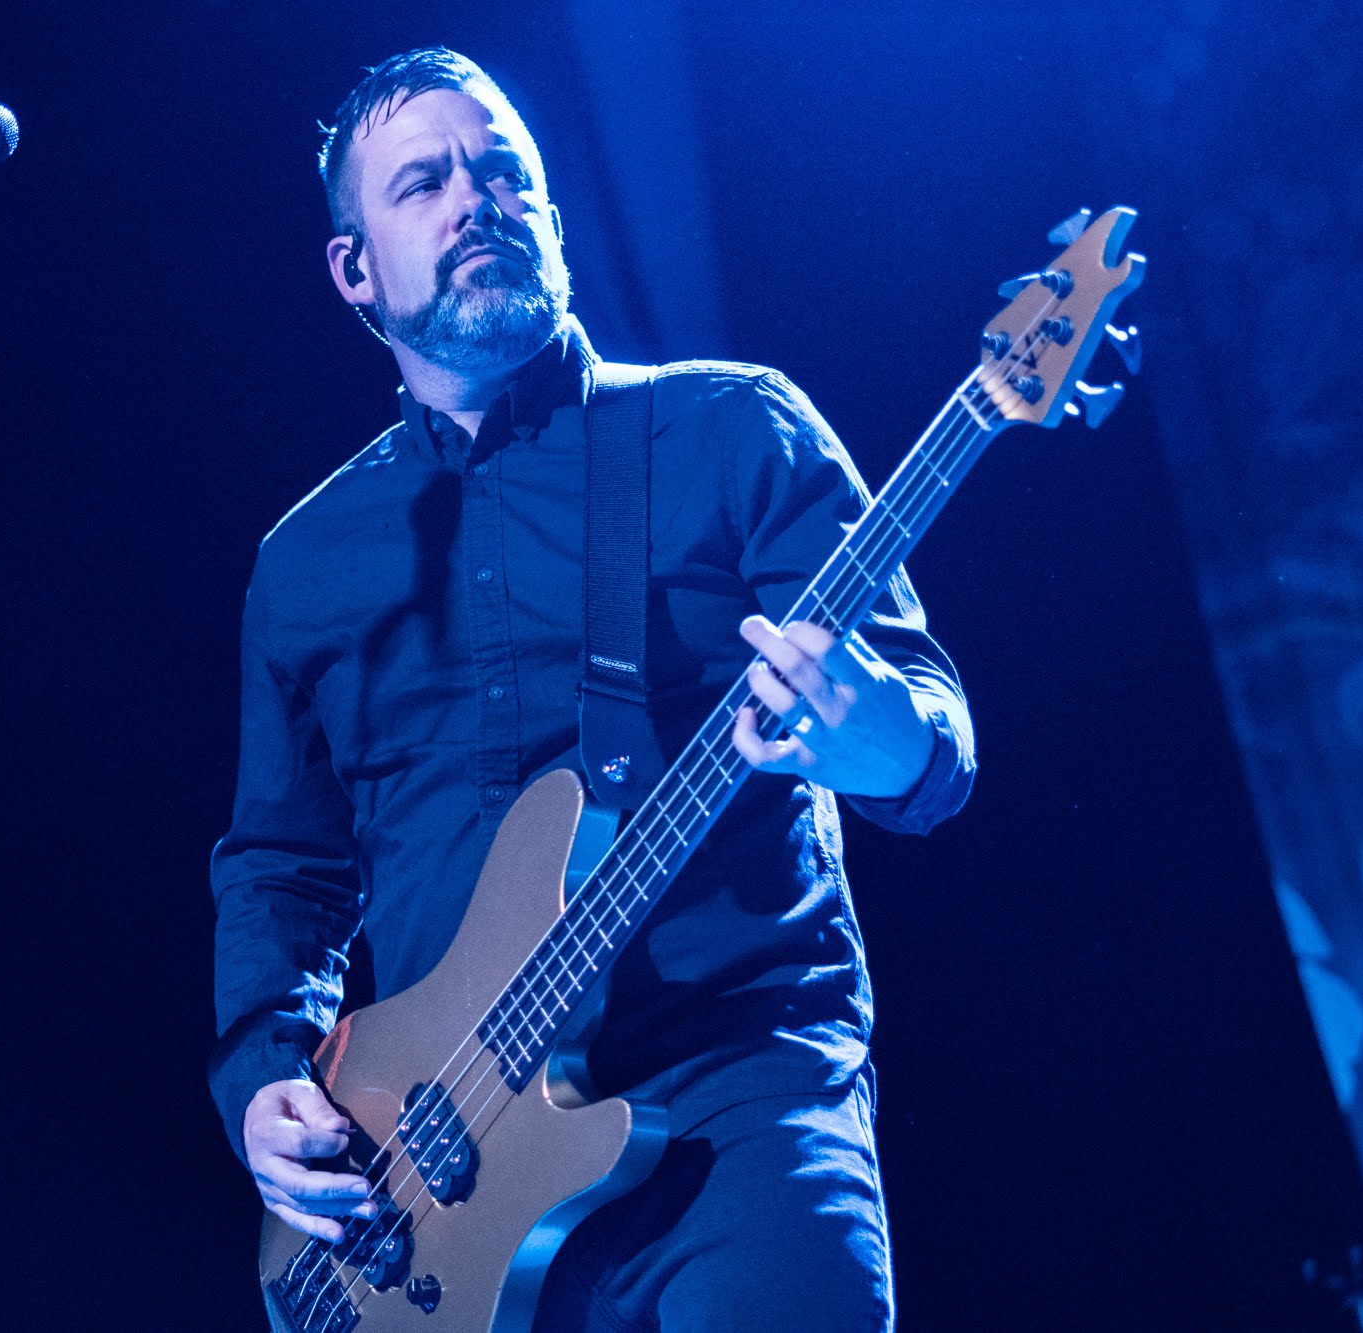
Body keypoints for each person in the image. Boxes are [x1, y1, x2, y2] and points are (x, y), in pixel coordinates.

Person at [209, 47, 975, 1331]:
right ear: (354, 270)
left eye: (502, 171)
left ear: (551, 216)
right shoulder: (305, 563)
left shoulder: (730, 429)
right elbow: (282, 868)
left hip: (734, 1094)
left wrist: (878, 739)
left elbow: (925, 728)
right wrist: (263, 1076)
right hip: (441, 1178)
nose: (475, 200)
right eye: (424, 183)